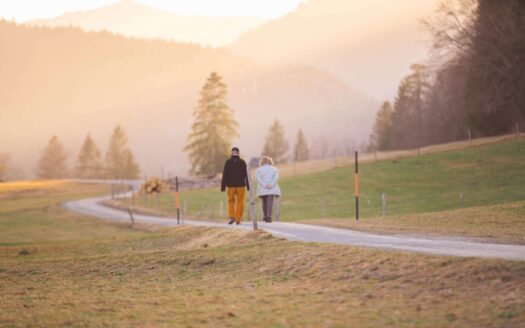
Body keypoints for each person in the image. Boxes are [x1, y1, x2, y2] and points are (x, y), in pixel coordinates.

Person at [221, 147, 250, 225]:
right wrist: (248, 186)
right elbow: (246, 175)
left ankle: (232, 217)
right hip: (241, 186)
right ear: (238, 153)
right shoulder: (242, 162)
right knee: (240, 201)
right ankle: (238, 219)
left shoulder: (228, 162)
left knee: (231, 201)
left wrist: (223, 186)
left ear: (231, 153)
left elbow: (225, 175)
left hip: (231, 186)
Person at [256, 156, 281, 223]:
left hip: (262, 188)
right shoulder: (274, 169)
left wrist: (265, 185)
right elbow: (276, 178)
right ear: (270, 162)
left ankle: (265, 216)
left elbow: (259, 179)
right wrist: (270, 185)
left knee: (264, 202)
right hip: (272, 188)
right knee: (270, 202)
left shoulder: (258, 170)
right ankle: (268, 217)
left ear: (262, 162)